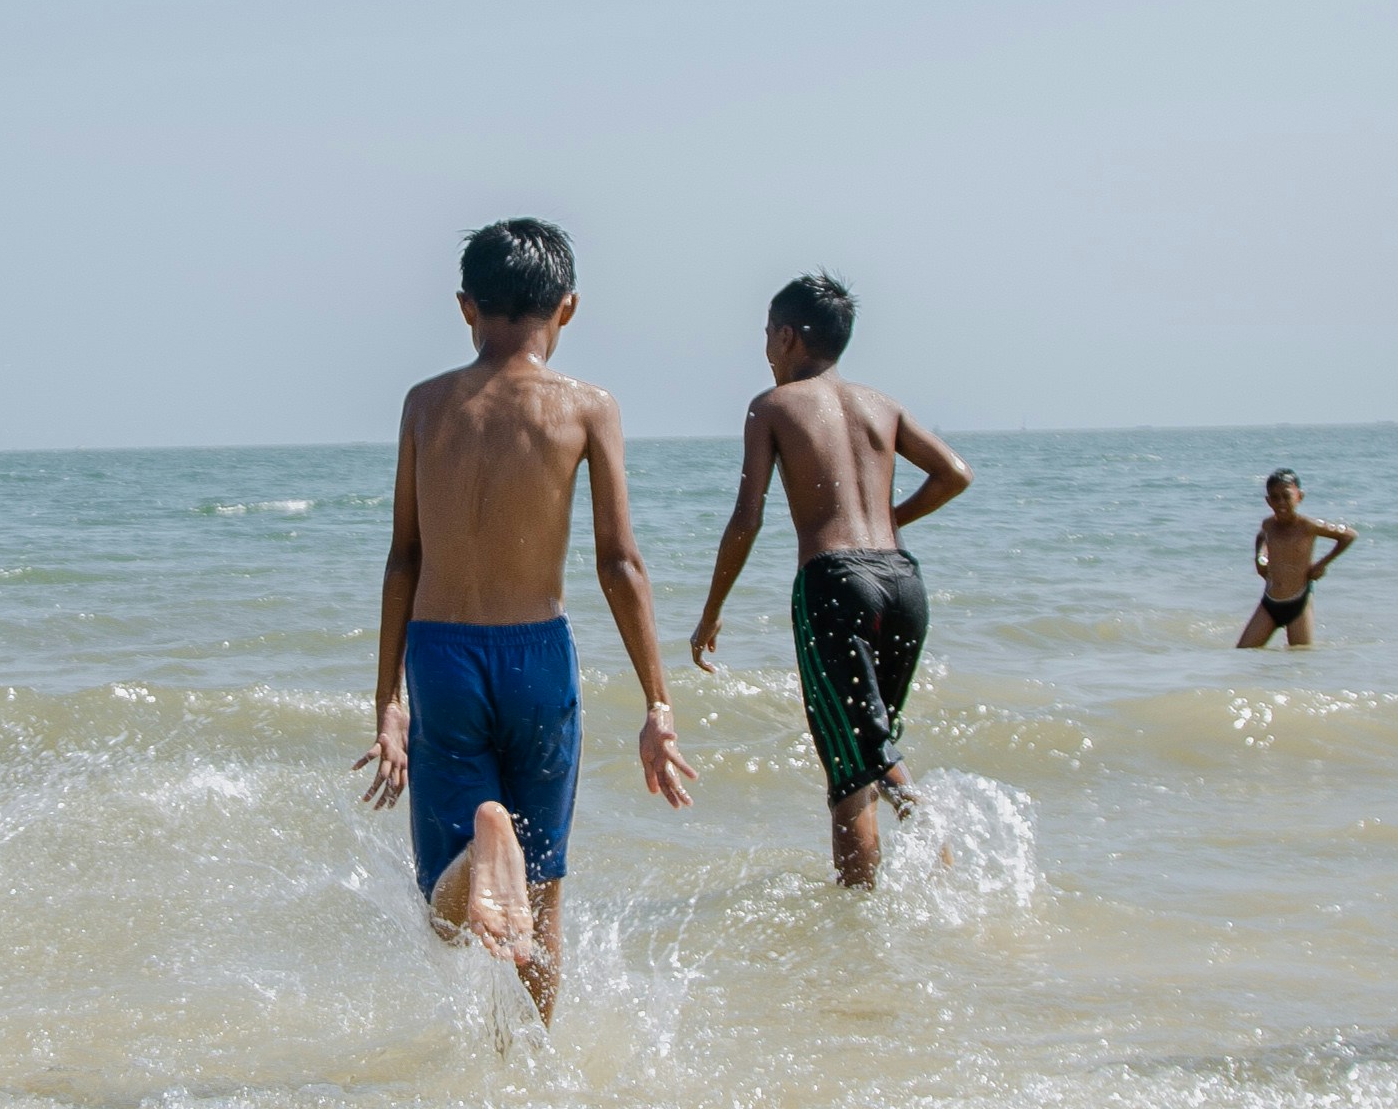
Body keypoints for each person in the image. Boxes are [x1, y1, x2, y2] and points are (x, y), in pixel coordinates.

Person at [358, 219, 694, 1021]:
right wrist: (657, 702)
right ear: (566, 309)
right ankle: (537, 1082)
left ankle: (480, 844)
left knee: (446, 915)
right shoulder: (587, 409)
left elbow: (402, 558)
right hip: (539, 657)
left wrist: (387, 701)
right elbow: (621, 563)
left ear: (464, 307)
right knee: (541, 899)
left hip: (440, 656)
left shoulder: (425, 406)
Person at [685, 272, 973, 888]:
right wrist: (889, 520)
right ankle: (903, 883)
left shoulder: (773, 406)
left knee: (851, 761)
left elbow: (748, 516)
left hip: (836, 583)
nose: (763, 347)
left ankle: (878, 897)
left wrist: (711, 611)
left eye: (767, 333)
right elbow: (954, 474)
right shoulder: (881, 404)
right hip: (903, 583)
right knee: (866, 743)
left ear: (787, 337)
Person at [1239, 468, 1358, 649]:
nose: (1281, 503)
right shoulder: (1269, 524)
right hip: (1270, 602)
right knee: (1243, 652)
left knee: (1301, 659)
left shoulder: (1308, 526)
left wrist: (1321, 564)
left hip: (1298, 602)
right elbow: (1261, 536)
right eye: (1275, 497)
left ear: (1299, 496)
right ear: (1268, 500)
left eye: (1286, 496)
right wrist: (1260, 558)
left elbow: (1349, 535)